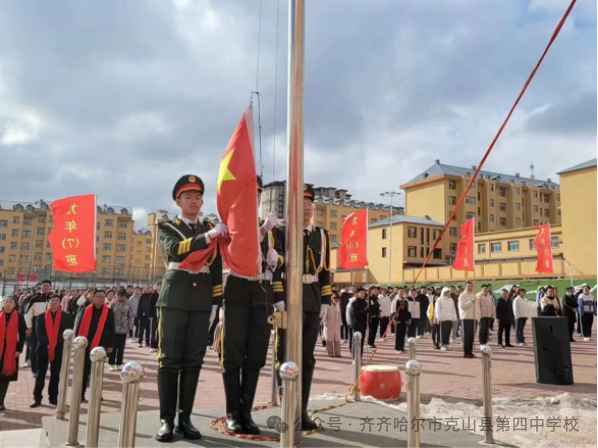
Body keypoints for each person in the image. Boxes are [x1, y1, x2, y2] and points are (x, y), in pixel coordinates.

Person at [155, 175, 226, 442]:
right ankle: (166, 420)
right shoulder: (167, 227)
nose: (194, 201)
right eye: (188, 197)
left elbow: (216, 265)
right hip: (175, 299)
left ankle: (185, 419)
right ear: (178, 201)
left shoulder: (209, 227)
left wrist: (216, 302)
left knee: (194, 361)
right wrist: (208, 235)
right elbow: (176, 250)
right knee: (170, 359)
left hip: (201, 300)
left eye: (198, 197)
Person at [220, 175, 284, 435]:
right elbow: (239, 247)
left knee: (256, 354)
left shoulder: (266, 227)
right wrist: (263, 232)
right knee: (233, 352)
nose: (255, 197)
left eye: (258, 192)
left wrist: (275, 259)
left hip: (261, 291)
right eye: (250, 192)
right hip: (237, 289)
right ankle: (232, 412)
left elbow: (277, 260)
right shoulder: (231, 222)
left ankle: (246, 411)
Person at [275, 184, 332, 431]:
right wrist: (278, 296)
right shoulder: (282, 231)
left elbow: (325, 270)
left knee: (307, 357)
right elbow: (276, 268)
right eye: (301, 202)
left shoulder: (321, 235)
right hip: (288, 298)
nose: (306, 206)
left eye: (309, 202)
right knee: (285, 354)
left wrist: (327, 300)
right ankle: (287, 405)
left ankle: (303, 409)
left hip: (312, 298)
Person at [32, 295, 74, 408]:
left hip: (59, 349)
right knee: (40, 374)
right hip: (43, 348)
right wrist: (47, 344)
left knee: (55, 375)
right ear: (48, 302)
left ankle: (53, 398)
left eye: (57, 300)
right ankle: (37, 398)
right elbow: (38, 332)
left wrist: (56, 343)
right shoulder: (41, 317)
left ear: (60, 303)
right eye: (52, 300)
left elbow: (68, 331)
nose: (54, 302)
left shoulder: (66, 317)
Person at [76, 289, 115, 402]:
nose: (101, 299)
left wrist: (111, 345)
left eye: (103, 297)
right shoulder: (85, 310)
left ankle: (96, 393)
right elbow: (79, 327)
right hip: (86, 345)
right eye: (98, 297)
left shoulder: (109, 312)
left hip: (101, 346)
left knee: (97, 372)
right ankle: (81, 394)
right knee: (84, 372)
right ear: (93, 298)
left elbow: (112, 329)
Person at [0, 296, 27, 412]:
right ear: (3, 303)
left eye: (10, 302)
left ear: (14, 305)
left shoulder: (19, 317)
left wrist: (19, 349)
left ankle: (0, 402)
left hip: (11, 351)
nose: (8, 304)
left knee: (5, 377)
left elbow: (22, 334)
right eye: (6, 302)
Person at [25, 280, 53, 375]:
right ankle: (35, 369)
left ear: (50, 287)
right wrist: (29, 327)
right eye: (44, 286)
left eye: (47, 286)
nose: (45, 288)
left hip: (50, 326)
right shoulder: (34, 299)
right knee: (35, 348)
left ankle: (43, 368)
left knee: (47, 348)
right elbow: (28, 314)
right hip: (36, 325)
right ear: (41, 287)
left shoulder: (54, 299)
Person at [108, 289, 135, 371]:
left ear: (124, 296)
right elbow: (108, 314)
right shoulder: (113, 303)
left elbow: (131, 316)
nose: (119, 297)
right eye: (118, 295)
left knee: (121, 347)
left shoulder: (128, 303)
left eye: (120, 296)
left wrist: (130, 327)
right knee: (112, 347)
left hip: (123, 328)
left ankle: (119, 363)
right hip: (113, 328)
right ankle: (111, 363)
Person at [458, 282, 480, 359]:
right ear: (465, 287)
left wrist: (478, 318)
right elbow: (462, 306)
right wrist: (471, 302)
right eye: (468, 286)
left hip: (473, 318)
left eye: (471, 286)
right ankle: (466, 352)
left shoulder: (474, 295)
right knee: (466, 336)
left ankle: (470, 352)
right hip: (466, 318)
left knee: (471, 336)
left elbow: (477, 308)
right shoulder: (462, 295)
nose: (469, 287)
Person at [349, 288, 368, 361]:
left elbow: (367, 314)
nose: (363, 295)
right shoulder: (354, 303)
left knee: (362, 341)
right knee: (356, 342)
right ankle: (355, 358)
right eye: (361, 293)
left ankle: (360, 357)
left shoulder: (366, 303)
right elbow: (354, 314)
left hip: (363, 324)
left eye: (364, 293)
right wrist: (364, 311)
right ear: (358, 294)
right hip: (356, 324)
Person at [391, 289, 411, 353]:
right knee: (398, 334)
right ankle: (397, 348)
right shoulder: (395, 301)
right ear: (398, 292)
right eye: (400, 292)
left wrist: (409, 318)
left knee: (403, 334)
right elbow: (392, 310)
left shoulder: (406, 301)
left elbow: (408, 310)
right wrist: (394, 319)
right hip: (398, 319)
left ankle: (402, 347)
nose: (402, 293)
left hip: (404, 319)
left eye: (403, 292)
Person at [325, 294, 343, 358]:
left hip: (337, 324)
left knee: (337, 339)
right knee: (329, 339)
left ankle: (338, 353)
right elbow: (325, 315)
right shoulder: (328, 305)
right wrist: (326, 323)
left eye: (338, 300)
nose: (337, 301)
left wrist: (340, 322)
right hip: (329, 324)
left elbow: (339, 314)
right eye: (336, 299)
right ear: (333, 298)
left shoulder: (338, 305)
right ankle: (330, 353)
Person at [149, 284, 161, 353]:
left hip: (161, 316)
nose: (160, 287)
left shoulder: (164, 294)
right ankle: (152, 346)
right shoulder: (153, 295)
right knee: (153, 331)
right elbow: (150, 305)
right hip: (154, 316)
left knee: (159, 331)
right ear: (157, 287)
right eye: (159, 286)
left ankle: (158, 345)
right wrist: (150, 314)